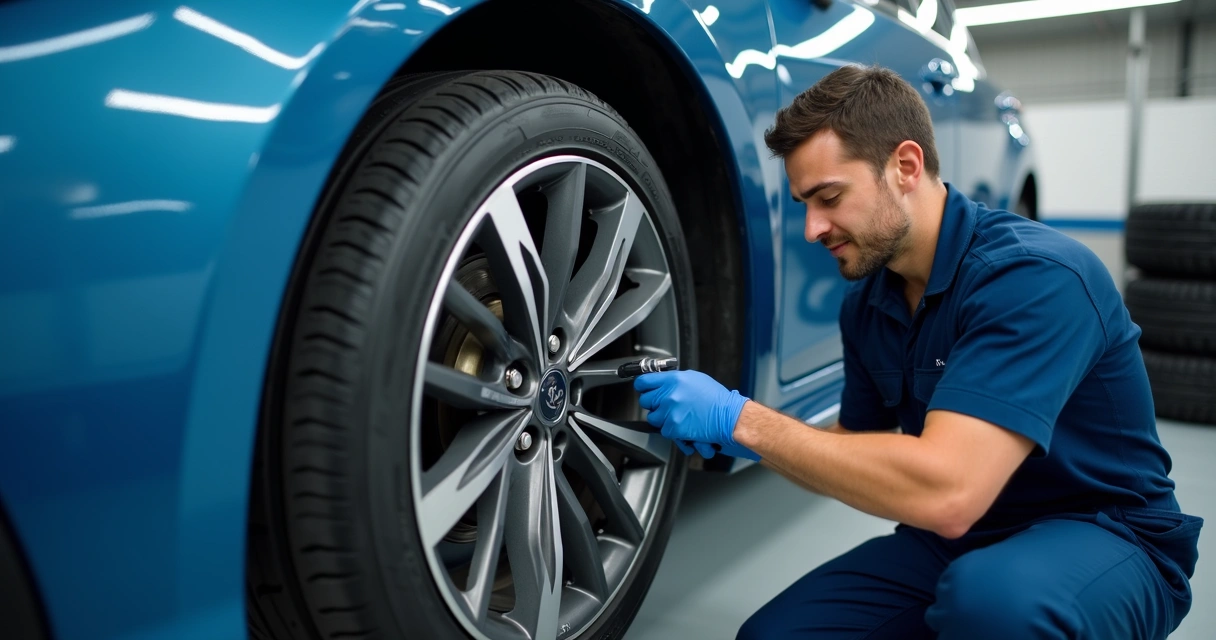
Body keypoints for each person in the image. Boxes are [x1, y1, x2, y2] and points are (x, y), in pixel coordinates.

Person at [634, 64, 1202, 639]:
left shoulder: (1034, 277)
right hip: (961, 541)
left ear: (905, 166)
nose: (812, 228)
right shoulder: (868, 303)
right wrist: (738, 432)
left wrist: (746, 423)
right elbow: (855, 448)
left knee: (995, 605)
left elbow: (949, 490)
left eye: (828, 197)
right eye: (805, 203)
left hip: (1105, 534)